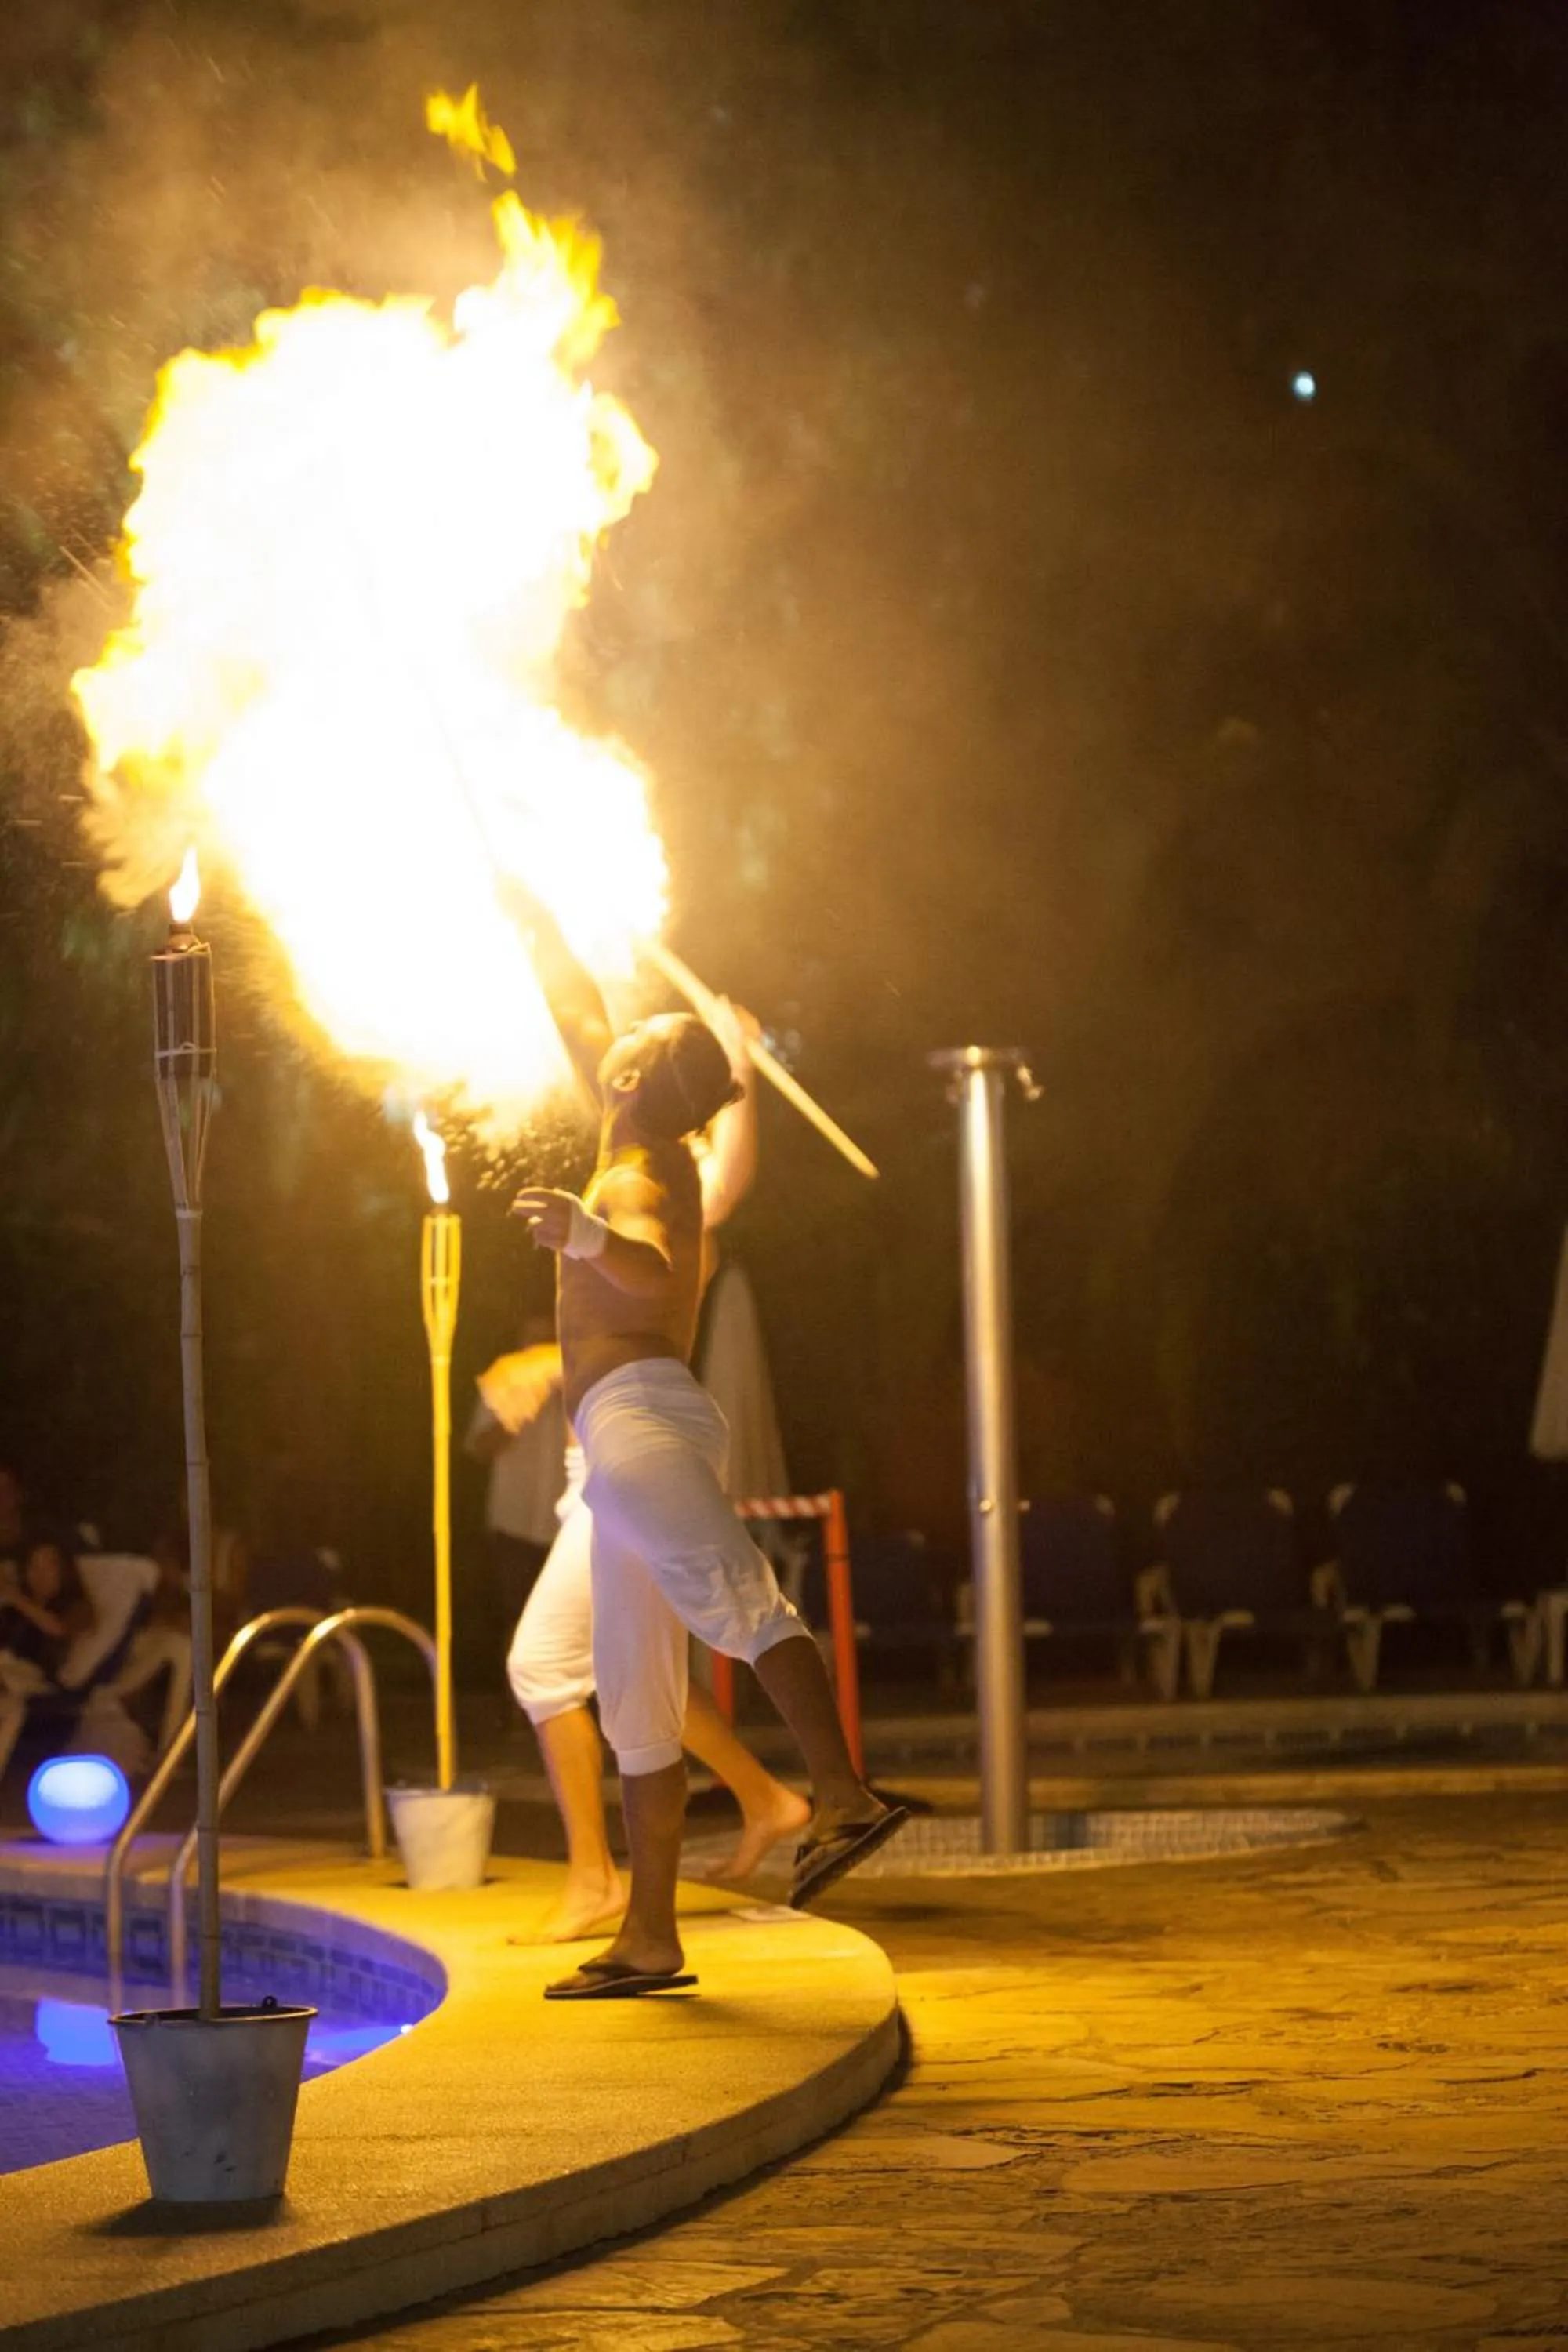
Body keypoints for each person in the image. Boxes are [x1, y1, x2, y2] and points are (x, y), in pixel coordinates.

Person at [503, 878, 905, 2000]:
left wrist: (583, 1233)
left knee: (738, 1602)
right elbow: (575, 1002)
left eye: (626, 1040)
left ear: (631, 1079)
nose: (605, 1035)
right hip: (623, 1436)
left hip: (638, 1423)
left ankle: (843, 1797)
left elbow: (647, 1265)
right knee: (634, 1696)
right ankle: (650, 1936)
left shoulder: (636, 1176)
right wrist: (527, 909)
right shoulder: (640, 1132)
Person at [499, 1012, 811, 1944]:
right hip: (600, 1452)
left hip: (631, 1448)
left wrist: (739, 1067)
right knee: (610, 1666)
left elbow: (662, 1253)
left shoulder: (656, 1178)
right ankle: (758, 1808)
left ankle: (610, 1879)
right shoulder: (642, 1164)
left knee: (558, 1663)